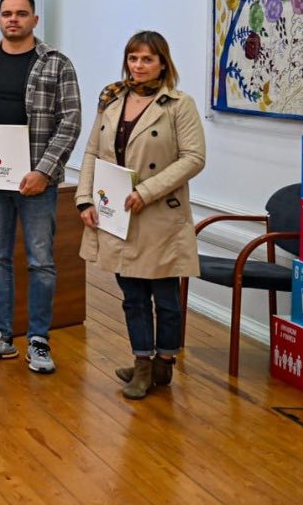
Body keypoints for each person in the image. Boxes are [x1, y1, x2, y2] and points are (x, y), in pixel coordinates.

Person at [0, 0, 82, 373]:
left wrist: (43, 172)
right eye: (7, 13)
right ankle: (0, 336)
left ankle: (39, 340)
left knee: (41, 261)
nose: (14, 19)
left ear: (34, 20)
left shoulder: (57, 64)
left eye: (22, 14)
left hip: (36, 183)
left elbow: (70, 120)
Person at [76, 31, 205, 399]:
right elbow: (91, 154)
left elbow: (194, 158)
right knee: (132, 295)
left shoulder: (179, 104)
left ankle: (164, 361)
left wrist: (146, 192)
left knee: (164, 295)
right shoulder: (112, 99)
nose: (139, 66)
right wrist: (85, 199)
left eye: (147, 59)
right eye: (133, 58)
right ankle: (142, 362)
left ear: (163, 63)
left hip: (158, 212)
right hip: (116, 212)